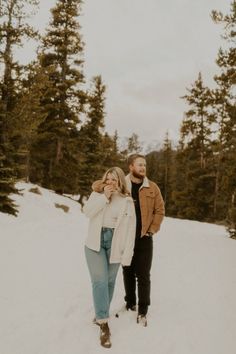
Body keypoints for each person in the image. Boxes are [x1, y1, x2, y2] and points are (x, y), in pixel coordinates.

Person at [92, 154, 165, 326]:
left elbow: (160, 210)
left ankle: (143, 310)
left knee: (143, 274)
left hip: (143, 238)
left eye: (144, 165)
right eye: (139, 165)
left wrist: (151, 230)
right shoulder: (121, 184)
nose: (143, 168)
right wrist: (103, 187)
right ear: (130, 167)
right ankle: (130, 302)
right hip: (124, 237)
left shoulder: (152, 188)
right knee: (127, 271)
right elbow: (98, 185)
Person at [83, 167, 136, 348]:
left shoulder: (127, 202)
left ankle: (100, 312)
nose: (111, 182)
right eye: (108, 178)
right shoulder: (97, 194)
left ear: (120, 181)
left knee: (109, 282)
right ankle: (104, 322)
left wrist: (127, 257)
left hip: (115, 245)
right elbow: (87, 212)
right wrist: (104, 197)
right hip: (94, 243)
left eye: (115, 179)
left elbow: (130, 231)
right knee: (99, 280)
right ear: (104, 179)